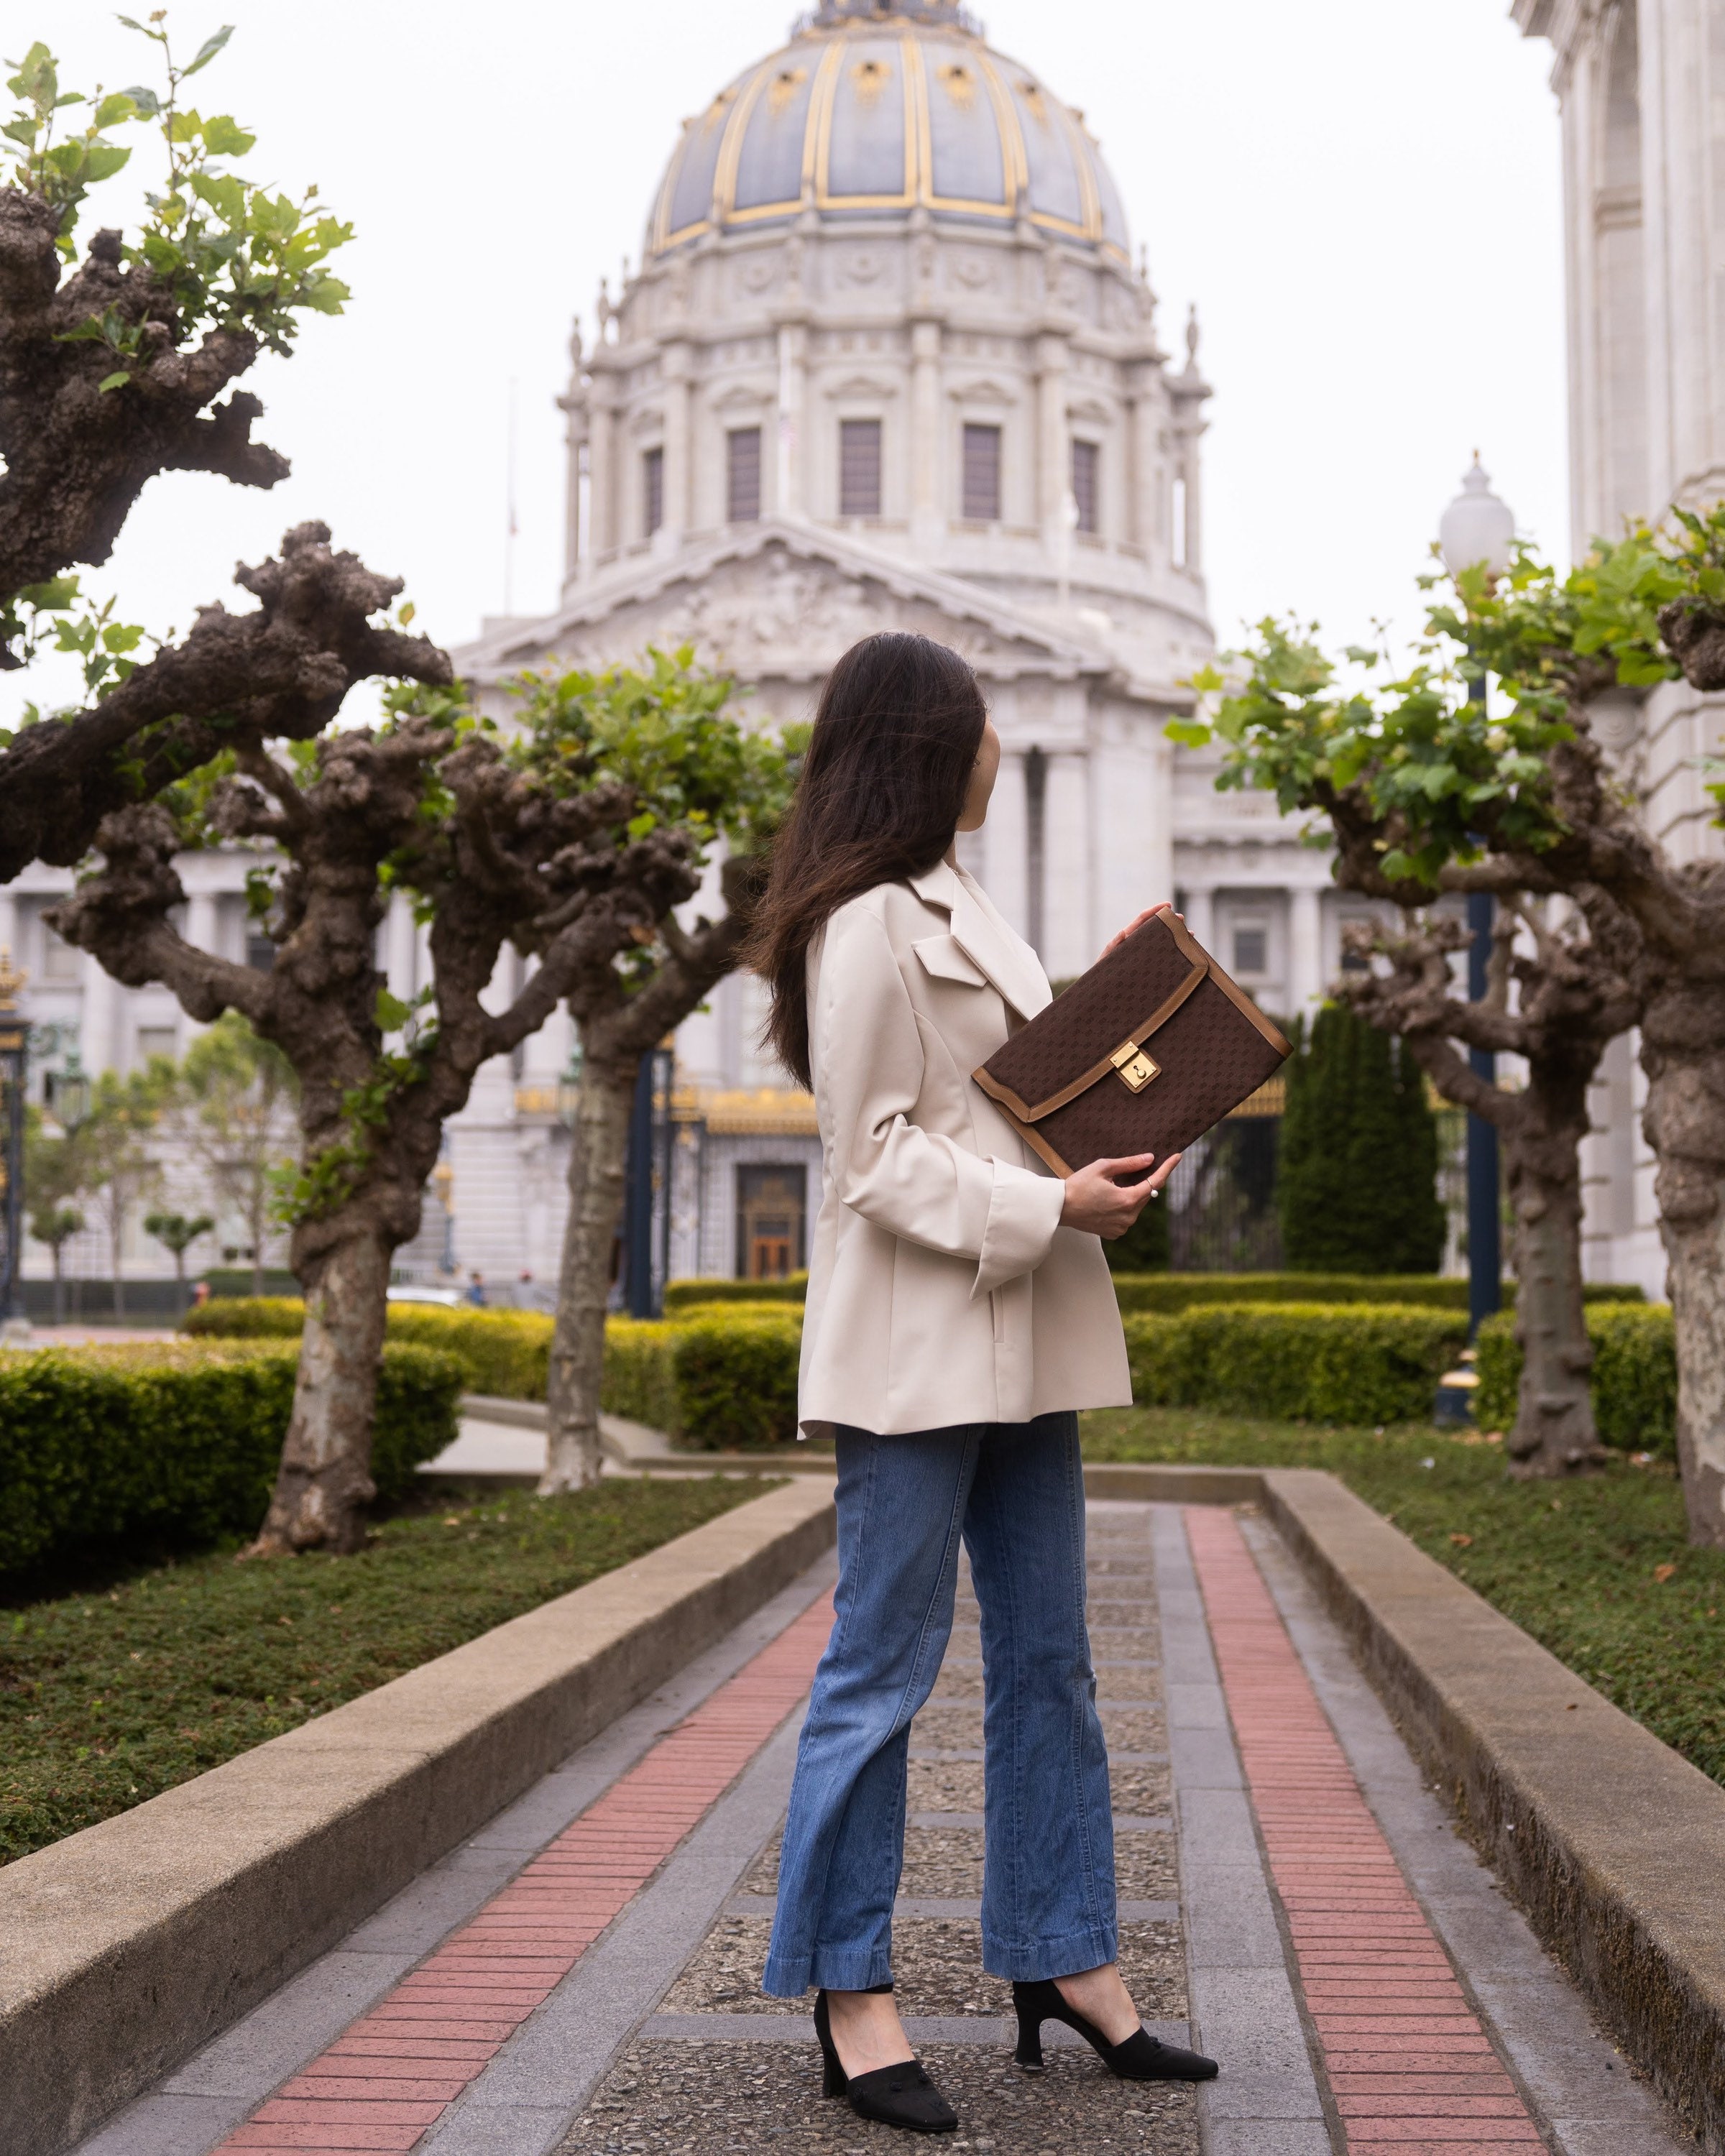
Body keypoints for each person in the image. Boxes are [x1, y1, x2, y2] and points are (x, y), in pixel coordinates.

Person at [745, 632, 1219, 2136]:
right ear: (924, 747)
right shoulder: (863, 921)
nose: (1002, 747)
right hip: (920, 1340)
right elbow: (871, 1155)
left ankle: (1065, 1952)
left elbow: (1015, 1106)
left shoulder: (966, 900)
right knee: (880, 1671)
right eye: (980, 726)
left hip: (1033, 1325)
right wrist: (1049, 1209)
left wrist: (1125, 1095)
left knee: (1052, 1662)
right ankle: (848, 1987)